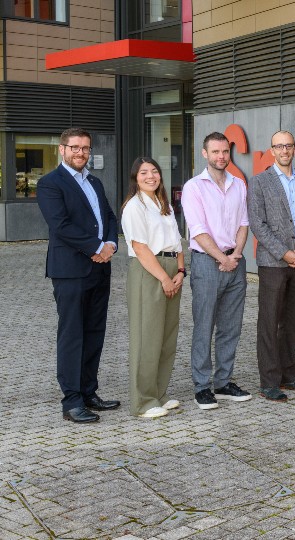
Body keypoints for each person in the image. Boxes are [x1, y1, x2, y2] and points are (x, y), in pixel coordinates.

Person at [37, 127, 120, 424]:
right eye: (75, 147)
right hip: (71, 270)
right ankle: (71, 401)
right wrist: (96, 247)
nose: (81, 152)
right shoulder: (50, 184)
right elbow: (61, 225)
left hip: (100, 267)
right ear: (62, 149)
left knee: (94, 332)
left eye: (85, 148)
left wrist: (110, 244)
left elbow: (109, 216)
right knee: (72, 335)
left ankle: (88, 392)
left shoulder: (94, 182)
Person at [181, 132, 252, 410]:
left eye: (225, 152)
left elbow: (244, 223)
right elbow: (197, 230)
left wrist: (234, 255)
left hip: (235, 261)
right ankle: (202, 387)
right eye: (215, 152)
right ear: (205, 154)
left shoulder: (238, 185)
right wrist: (221, 258)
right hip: (207, 263)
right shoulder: (194, 187)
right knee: (204, 325)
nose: (221, 156)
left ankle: (223, 383)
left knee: (230, 327)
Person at [247, 130, 295, 402]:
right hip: (274, 262)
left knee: (293, 321)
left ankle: (289, 375)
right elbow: (257, 224)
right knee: (269, 321)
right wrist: (284, 253)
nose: (284, 150)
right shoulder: (259, 182)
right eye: (279, 146)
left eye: (288, 145)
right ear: (272, 150)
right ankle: (269, 380)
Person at [120, 158, 184, 418]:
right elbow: (140, 248)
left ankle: (159, 392)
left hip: (171, 268)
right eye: (144, 172)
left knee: (167, 336)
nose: (151, 176)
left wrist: (180, 271)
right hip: (149, 271)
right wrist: (165, 279)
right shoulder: (134, 207)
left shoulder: (164, 205)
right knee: (146, 337)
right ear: (135, 178)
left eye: (154, 171)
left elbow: (177, 242)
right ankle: (143, 401)